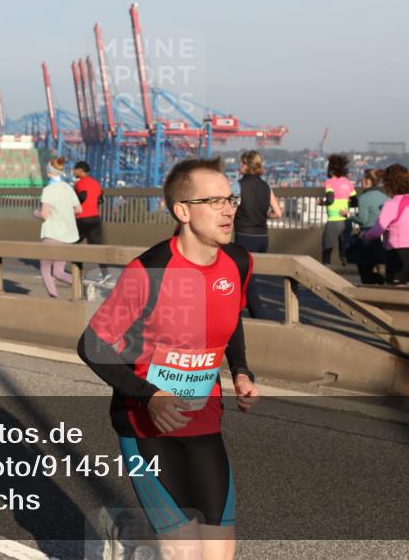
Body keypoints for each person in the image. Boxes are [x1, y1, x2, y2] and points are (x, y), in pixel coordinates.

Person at [77, 157, 259, 560]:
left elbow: (230, 319)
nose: (229, 209)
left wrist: (241, 370)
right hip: (145, 426)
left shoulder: (239, 263)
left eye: (231, 198)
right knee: (184, 552)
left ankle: (134, 542)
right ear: (182, 211)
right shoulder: (149, 270)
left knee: (218, 554)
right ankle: (132, 540)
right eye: (214, 201)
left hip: (204, 421)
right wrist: (150, 396)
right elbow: (91, 344)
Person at [233, 150, 282, 317]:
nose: (239, 166)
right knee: (249, 279)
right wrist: (264, 215)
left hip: (244, 236)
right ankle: (244, 315)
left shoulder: (237, 186)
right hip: (262, 238)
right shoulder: (266, 186)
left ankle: (258, 317)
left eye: (242, 163)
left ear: (247, 165)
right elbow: (278, 213)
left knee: (246, 281)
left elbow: (229, 208)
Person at [362, 164, 409, 285]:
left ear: (388, 185)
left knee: (395, 292)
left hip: (398, 254)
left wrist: (365, 235)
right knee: (402, 287)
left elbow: (377, 230)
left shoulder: (391, 204)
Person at [33, 157, 81, 298]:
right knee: (59, 272)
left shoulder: (48, 190)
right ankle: (82, 286)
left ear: (49, 172)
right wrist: (64, 212)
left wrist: (35, 213)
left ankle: (54, 298)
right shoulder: (68, 188)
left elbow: (45, 215)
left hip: (53, 234)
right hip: (67, 236)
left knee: (45, 269)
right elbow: (79, 209)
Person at [73, 161, 111, 283]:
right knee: (98, 248)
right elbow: (101, 199)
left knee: (72, 245)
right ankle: (105, 274)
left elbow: (83, 196)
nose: (74, 172)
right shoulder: (96, 183)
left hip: (82, 219)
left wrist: (74, 205)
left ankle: (77, 273)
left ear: (81, 171)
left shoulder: (80, 183)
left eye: (75, 170)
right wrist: (92, 205)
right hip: (95, 219)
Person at [350, 168, 389, 284]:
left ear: (368, 181)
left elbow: (362, 220)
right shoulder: (384, 197)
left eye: (362, 179)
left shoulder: (363, 198)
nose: (360, 182)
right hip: (382, 236)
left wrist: (349, 215)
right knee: (375, 266)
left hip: (367, 235)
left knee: (365, 272)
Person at [319, 154, 355, 266]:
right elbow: (355, 201)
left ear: (331, 170)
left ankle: (326, 268)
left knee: (327, 246)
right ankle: (346, 265)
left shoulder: (329, 182)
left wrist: (322, 203)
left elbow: (330, 200)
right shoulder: (348, 183)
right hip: (346, 219)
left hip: (334, 219)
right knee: (344, 246)